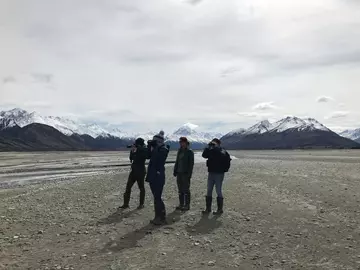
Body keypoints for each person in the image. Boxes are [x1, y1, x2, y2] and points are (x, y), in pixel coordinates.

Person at [146, 130, 170, 225]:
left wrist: (155, 147)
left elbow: (159, 160)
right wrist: (149, 146)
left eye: (155, 141)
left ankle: (161, 217)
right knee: (156, 197)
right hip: (152, 175)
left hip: (158, 176)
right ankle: (159, 216)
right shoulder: (155, 148)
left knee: (157, 197)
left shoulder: (163, 149)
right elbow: (148, 156)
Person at [201, 138, 231, 215]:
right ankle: (208, 209)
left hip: (219, 174)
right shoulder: (210, 150)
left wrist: (224, 170)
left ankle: (220, 210)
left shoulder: (222, 151)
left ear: (218, 144)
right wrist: (208, 147)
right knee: (209, 190)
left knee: (218, 190)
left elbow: (227, 160)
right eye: (212, 143)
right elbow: (204, 155)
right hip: (211, 172)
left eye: (214, 143)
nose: (213, 145)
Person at [119, 138, 148, 210]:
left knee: (141, 188)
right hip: (134, 171)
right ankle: (126, 204)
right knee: (128, 187)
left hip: (141, 172)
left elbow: (145, 156)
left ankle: (141, 204)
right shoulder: (136, 149)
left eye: (136, 144)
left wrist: (137, 150)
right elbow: (131, 158)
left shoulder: (144, 149)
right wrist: (132, 151)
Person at [173, 137, 194, 211]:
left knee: (186, 189)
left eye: (182, 142)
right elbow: (177, 161)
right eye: (180, 142)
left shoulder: (189, 152)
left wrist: (189, 174)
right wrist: (175, 170)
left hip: (185, 173)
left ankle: (187, 205)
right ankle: (181, 204)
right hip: (179, 173)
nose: (181, 143)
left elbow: (191, 164)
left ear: (186, 142)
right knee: (180, 189)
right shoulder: (179, 151)